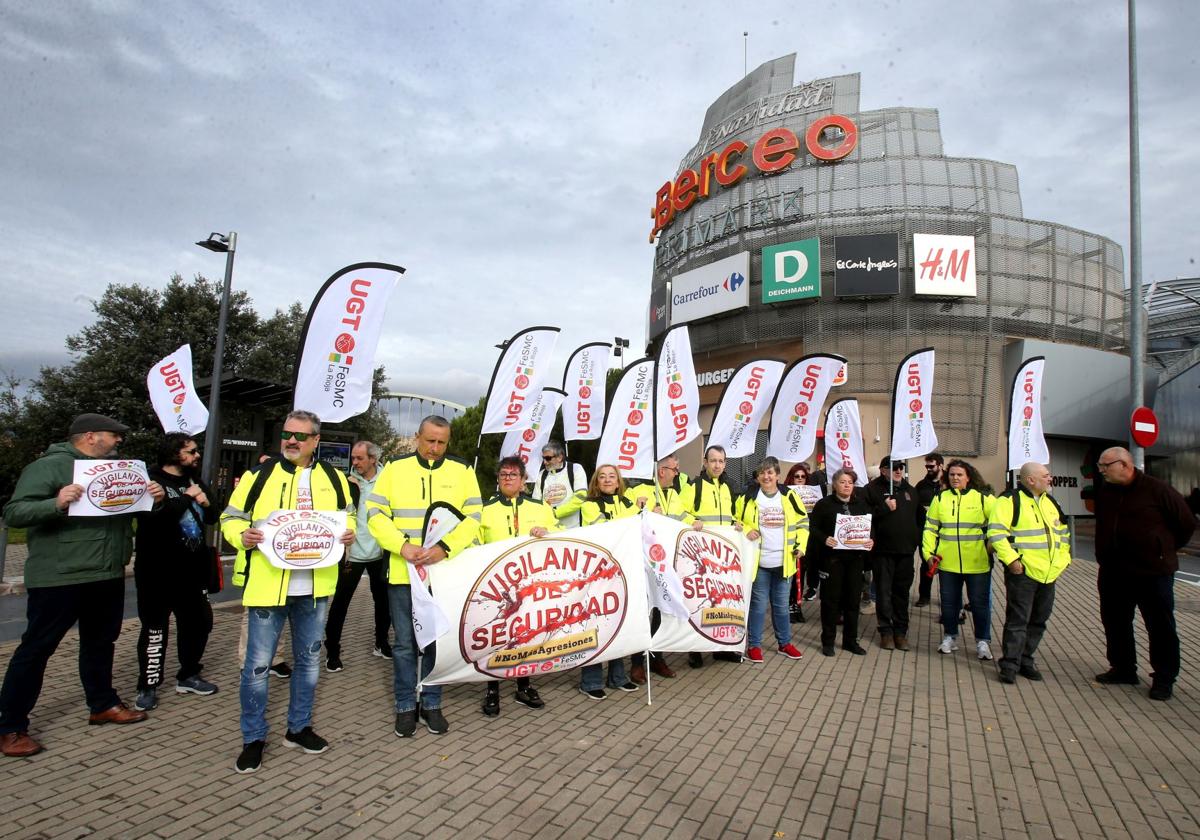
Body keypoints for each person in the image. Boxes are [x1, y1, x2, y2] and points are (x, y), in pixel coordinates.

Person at [0, 413, 164, 758]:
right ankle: (10, 727)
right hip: (60, 575)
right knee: (37, 649)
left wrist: (153, 497)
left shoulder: (117, 469)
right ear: (89, 436)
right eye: (113, 435)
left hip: (106, 573)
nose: (119, 440)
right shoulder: (50, 467)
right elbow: (15, 513)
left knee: (101, 643)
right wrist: (56, 502)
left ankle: (102, 704)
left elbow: (132, 511)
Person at [221, 410, 354, 774]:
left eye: (300, 436)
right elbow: (230, 518)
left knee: (309, 664)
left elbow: (348, 515)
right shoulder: (258, 475)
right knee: (257, 667)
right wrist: (240, 536)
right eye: (286, 434)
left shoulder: (334, 478)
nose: (291, 441)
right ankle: (253, 738)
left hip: (314, 587)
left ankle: (298, 729)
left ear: (315, 441)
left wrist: (348, 533)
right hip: (267, 587)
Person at [366, 415, 481, 737]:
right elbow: (375, 513)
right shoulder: (394, 469)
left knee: (436, 642)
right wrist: (400, 546)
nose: (435, 448)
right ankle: (405, 706)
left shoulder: (462, 471)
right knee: (404, 644)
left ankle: (431, 703)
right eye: (429, 440)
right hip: (403, 573)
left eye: (441, 442)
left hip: (442, 575)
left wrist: (447, 546)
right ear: (417, 437)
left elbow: (474, 516)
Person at [1094, 447, 1195, 701]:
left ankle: (1163, 677)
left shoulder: (1157, 489)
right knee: (1115, 622)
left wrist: (1163, 549)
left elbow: (1186, 522)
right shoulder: (1106, 491)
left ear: (1125, 465)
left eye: (1106, 466)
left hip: (1152, 573)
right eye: (1100, 466)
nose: (1102, 471)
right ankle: (1123, 669)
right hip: (1114, 571)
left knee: (1160, 626)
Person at [132, 433, 219, 712]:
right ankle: (148, 685)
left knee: (199, 623)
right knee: (155, 629)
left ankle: (189, 674)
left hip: (192, 572)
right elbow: (154, 519)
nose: (196, 456)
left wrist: (205, 502)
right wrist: (185, 498)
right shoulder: (150, 481)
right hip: (157, 571)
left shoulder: (194, 480)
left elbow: (213, 515)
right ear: (174, 453)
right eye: (191, 451)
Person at [477, 456, 558, 716]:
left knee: (526, 635)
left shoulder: (540, 507)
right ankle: (492, 688)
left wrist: (546, 532)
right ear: (498, 479)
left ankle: (524, 685)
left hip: (530, 585)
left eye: (513, 474)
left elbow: (558, 535)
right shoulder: (485, 509)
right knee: (497, 636)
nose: (508, 478)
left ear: (524, 480)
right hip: (496, 587)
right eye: (503, 474)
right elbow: (475, 544)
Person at [988, 462, 1072, 684]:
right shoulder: (1009, 500)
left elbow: (1063, 532)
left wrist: (1064, 559)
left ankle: (1026, 659)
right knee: (1018, 620)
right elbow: (996, 533)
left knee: (1039, 620)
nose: (1050, 478)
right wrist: (1012, 561)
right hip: (1023, 573)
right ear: (1030, 480)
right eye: (1045, 476)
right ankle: (1010, 664)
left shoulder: (1050, 502)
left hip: (1049, 573)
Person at [624, 453, 700, 682]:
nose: (678, 474)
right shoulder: (638, 492)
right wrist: (642, 513)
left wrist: (694, 521)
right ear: (662, 470)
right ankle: (637, 662)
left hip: (666, 564)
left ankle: (657, 657)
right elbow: (625, 518)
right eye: (675, 470)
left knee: (659, 610)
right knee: (643, 611)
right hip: (644, 563)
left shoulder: (673, 493)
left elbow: (682, 516)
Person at [323, 441, 392, 672]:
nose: (354, 463)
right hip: (351, 555)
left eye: (359, 459)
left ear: (373, 459)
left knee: (383, 604)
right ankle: (332, 651)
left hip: (379, 553)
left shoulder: (388, 479)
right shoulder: (345, 482)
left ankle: (381, 643)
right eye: (353, 458)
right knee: (340, 604)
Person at [576, 465, 640, 699]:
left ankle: (617, 677)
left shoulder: (628, 504)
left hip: (625, 572)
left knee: (620, 624)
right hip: (599, 574)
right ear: (596, 481)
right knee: (597, 625)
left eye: (611, 476)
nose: (607, 480)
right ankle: (590, 680)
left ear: (618, 481)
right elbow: (604, 530)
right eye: (602, 476)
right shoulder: (589, 505)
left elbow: (638, 528)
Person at [736, 457, 808, 663]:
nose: (766, 476)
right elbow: (736, 520)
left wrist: (801, 547)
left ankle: (784, 643)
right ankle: (754, 646)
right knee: (758, 606)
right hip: (760, 564)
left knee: (781, 607)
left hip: (784, 563)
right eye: (762, 473)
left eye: (770, 473)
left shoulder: (789, 496)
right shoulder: (748, 497)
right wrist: (748, 529)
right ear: (757, 477)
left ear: (777, 475)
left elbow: (804, 522)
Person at [922, 459, 995, 660]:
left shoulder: (982, 499)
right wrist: (928, 554)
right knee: (949, 603)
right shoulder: (941, 499)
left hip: (977, 563)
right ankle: (950, 637)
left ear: (968, 477)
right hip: (948, 563)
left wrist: (992, 545)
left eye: (959, 475)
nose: (955, 478)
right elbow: (930, 529)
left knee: (980, 604)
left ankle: (983, 641)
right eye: (952, 474)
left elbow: (999, 524)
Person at [683, 445, 743, 668]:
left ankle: (720, 648)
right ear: (705, 462)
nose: (717, 465)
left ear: (725, 463)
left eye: (721, 461)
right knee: (701, 602)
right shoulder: (695, 486)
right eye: (713, 460)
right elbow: (681, 510)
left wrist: (737, 523)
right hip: (701, 556)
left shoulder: (729, 487)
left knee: (721, 601)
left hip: (722, 557)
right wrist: (691, 520)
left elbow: (736, 514)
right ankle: (695, 650)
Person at [807, 469, 874, 656]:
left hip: (855, 561)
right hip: (832, 561)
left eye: (850, 482)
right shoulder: (824, 505)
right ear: (834, 484)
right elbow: (812, 528)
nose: (847, 485)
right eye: (843, 482)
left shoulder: (861, 505)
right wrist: (824, 539)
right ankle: (828, 641)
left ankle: (850, 641)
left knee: (852, 602)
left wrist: (871, 540)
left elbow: (870, 528)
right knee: (830, 602)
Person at [864, 457, 921, 651]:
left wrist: (918, 542)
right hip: (883, 552)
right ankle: (886, 632)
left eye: (900, 467)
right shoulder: (871, 490)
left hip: (905, 552)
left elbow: (919, 520)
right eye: (893, 467)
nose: (898, 471)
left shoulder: (910, 490)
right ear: (883, 470)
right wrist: (883, 509)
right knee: (883, 592)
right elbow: (864, 517)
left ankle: (900, 632)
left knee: (902, 593)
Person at [914, 453, 947, 607]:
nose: (928, 469)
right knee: (926, 563)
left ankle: (948, 598)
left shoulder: (949, 484)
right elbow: (915, 506)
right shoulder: (921, 486)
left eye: (931, 466)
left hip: (947, 533)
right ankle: (924, 596)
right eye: (927, 466)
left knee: (947, 567)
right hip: (926, 531)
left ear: (940, 465)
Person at [531, 440, 588, 528]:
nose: (545, 462)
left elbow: (581, 497)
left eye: (548, 458)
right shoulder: (541, 475)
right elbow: (536, 502)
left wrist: (556, 512)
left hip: (575, 528)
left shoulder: (575, 469)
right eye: (543, 458)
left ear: (560, 457)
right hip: (549, 530)